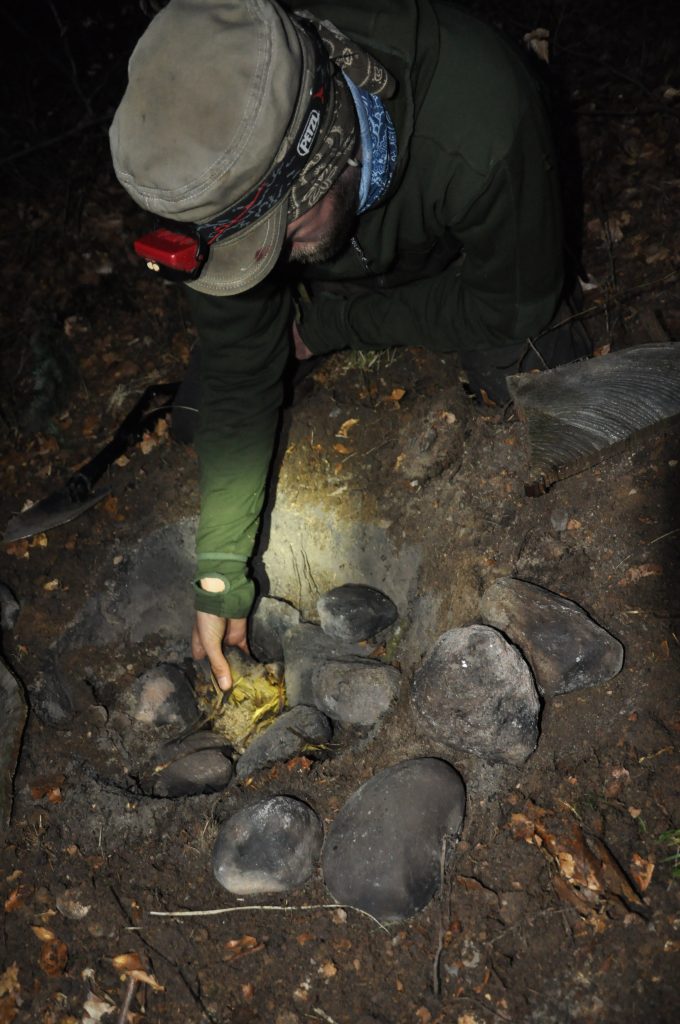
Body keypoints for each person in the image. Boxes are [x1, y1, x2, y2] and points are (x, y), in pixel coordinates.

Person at [109, 0, 589, 691]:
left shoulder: (479, 118)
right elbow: (244, 372)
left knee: (539, 360)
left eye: (283, 237)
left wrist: (331, 330)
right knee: (201, 416)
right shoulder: (212, 166)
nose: (266, 265)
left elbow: (514, 300)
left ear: (326, 146)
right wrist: (220, 574)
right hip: (339, 268)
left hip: (447, 256)